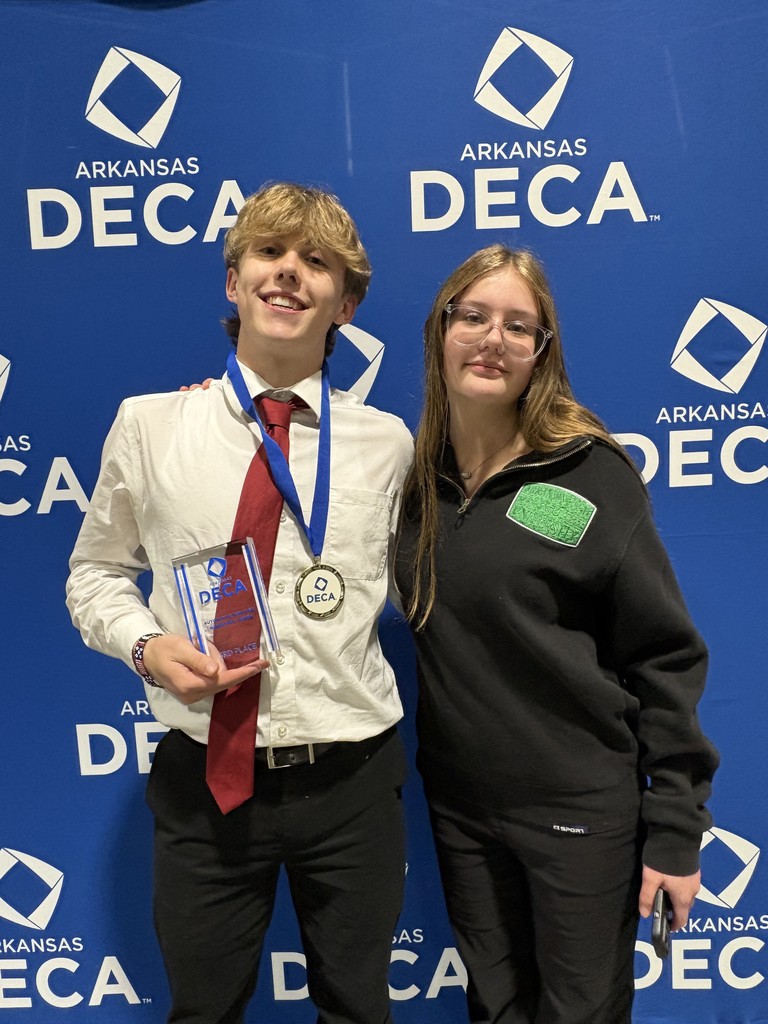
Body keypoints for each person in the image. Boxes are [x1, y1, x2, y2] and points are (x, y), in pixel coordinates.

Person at [66, 182, 413, 1024]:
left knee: (360, 1009)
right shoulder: (149, 426)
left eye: (317, 262)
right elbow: (95, 574)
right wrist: (147, 648)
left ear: (347, 301)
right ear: (234, 281)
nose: (290, 273)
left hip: (352, 778)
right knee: (204, 1011)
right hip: (206, 781)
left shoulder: (388, 441)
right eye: (269, 253)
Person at [394, 244, 719, 1024]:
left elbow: (666, 658)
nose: (492, 339)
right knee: (496, 1007)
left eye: (519, 325)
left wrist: (675, 831)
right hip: (464, 811)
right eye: (472, 316)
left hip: (578, 810)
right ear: (440, 331)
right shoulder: (414, 481)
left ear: (543, 353)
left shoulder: (587, 476)